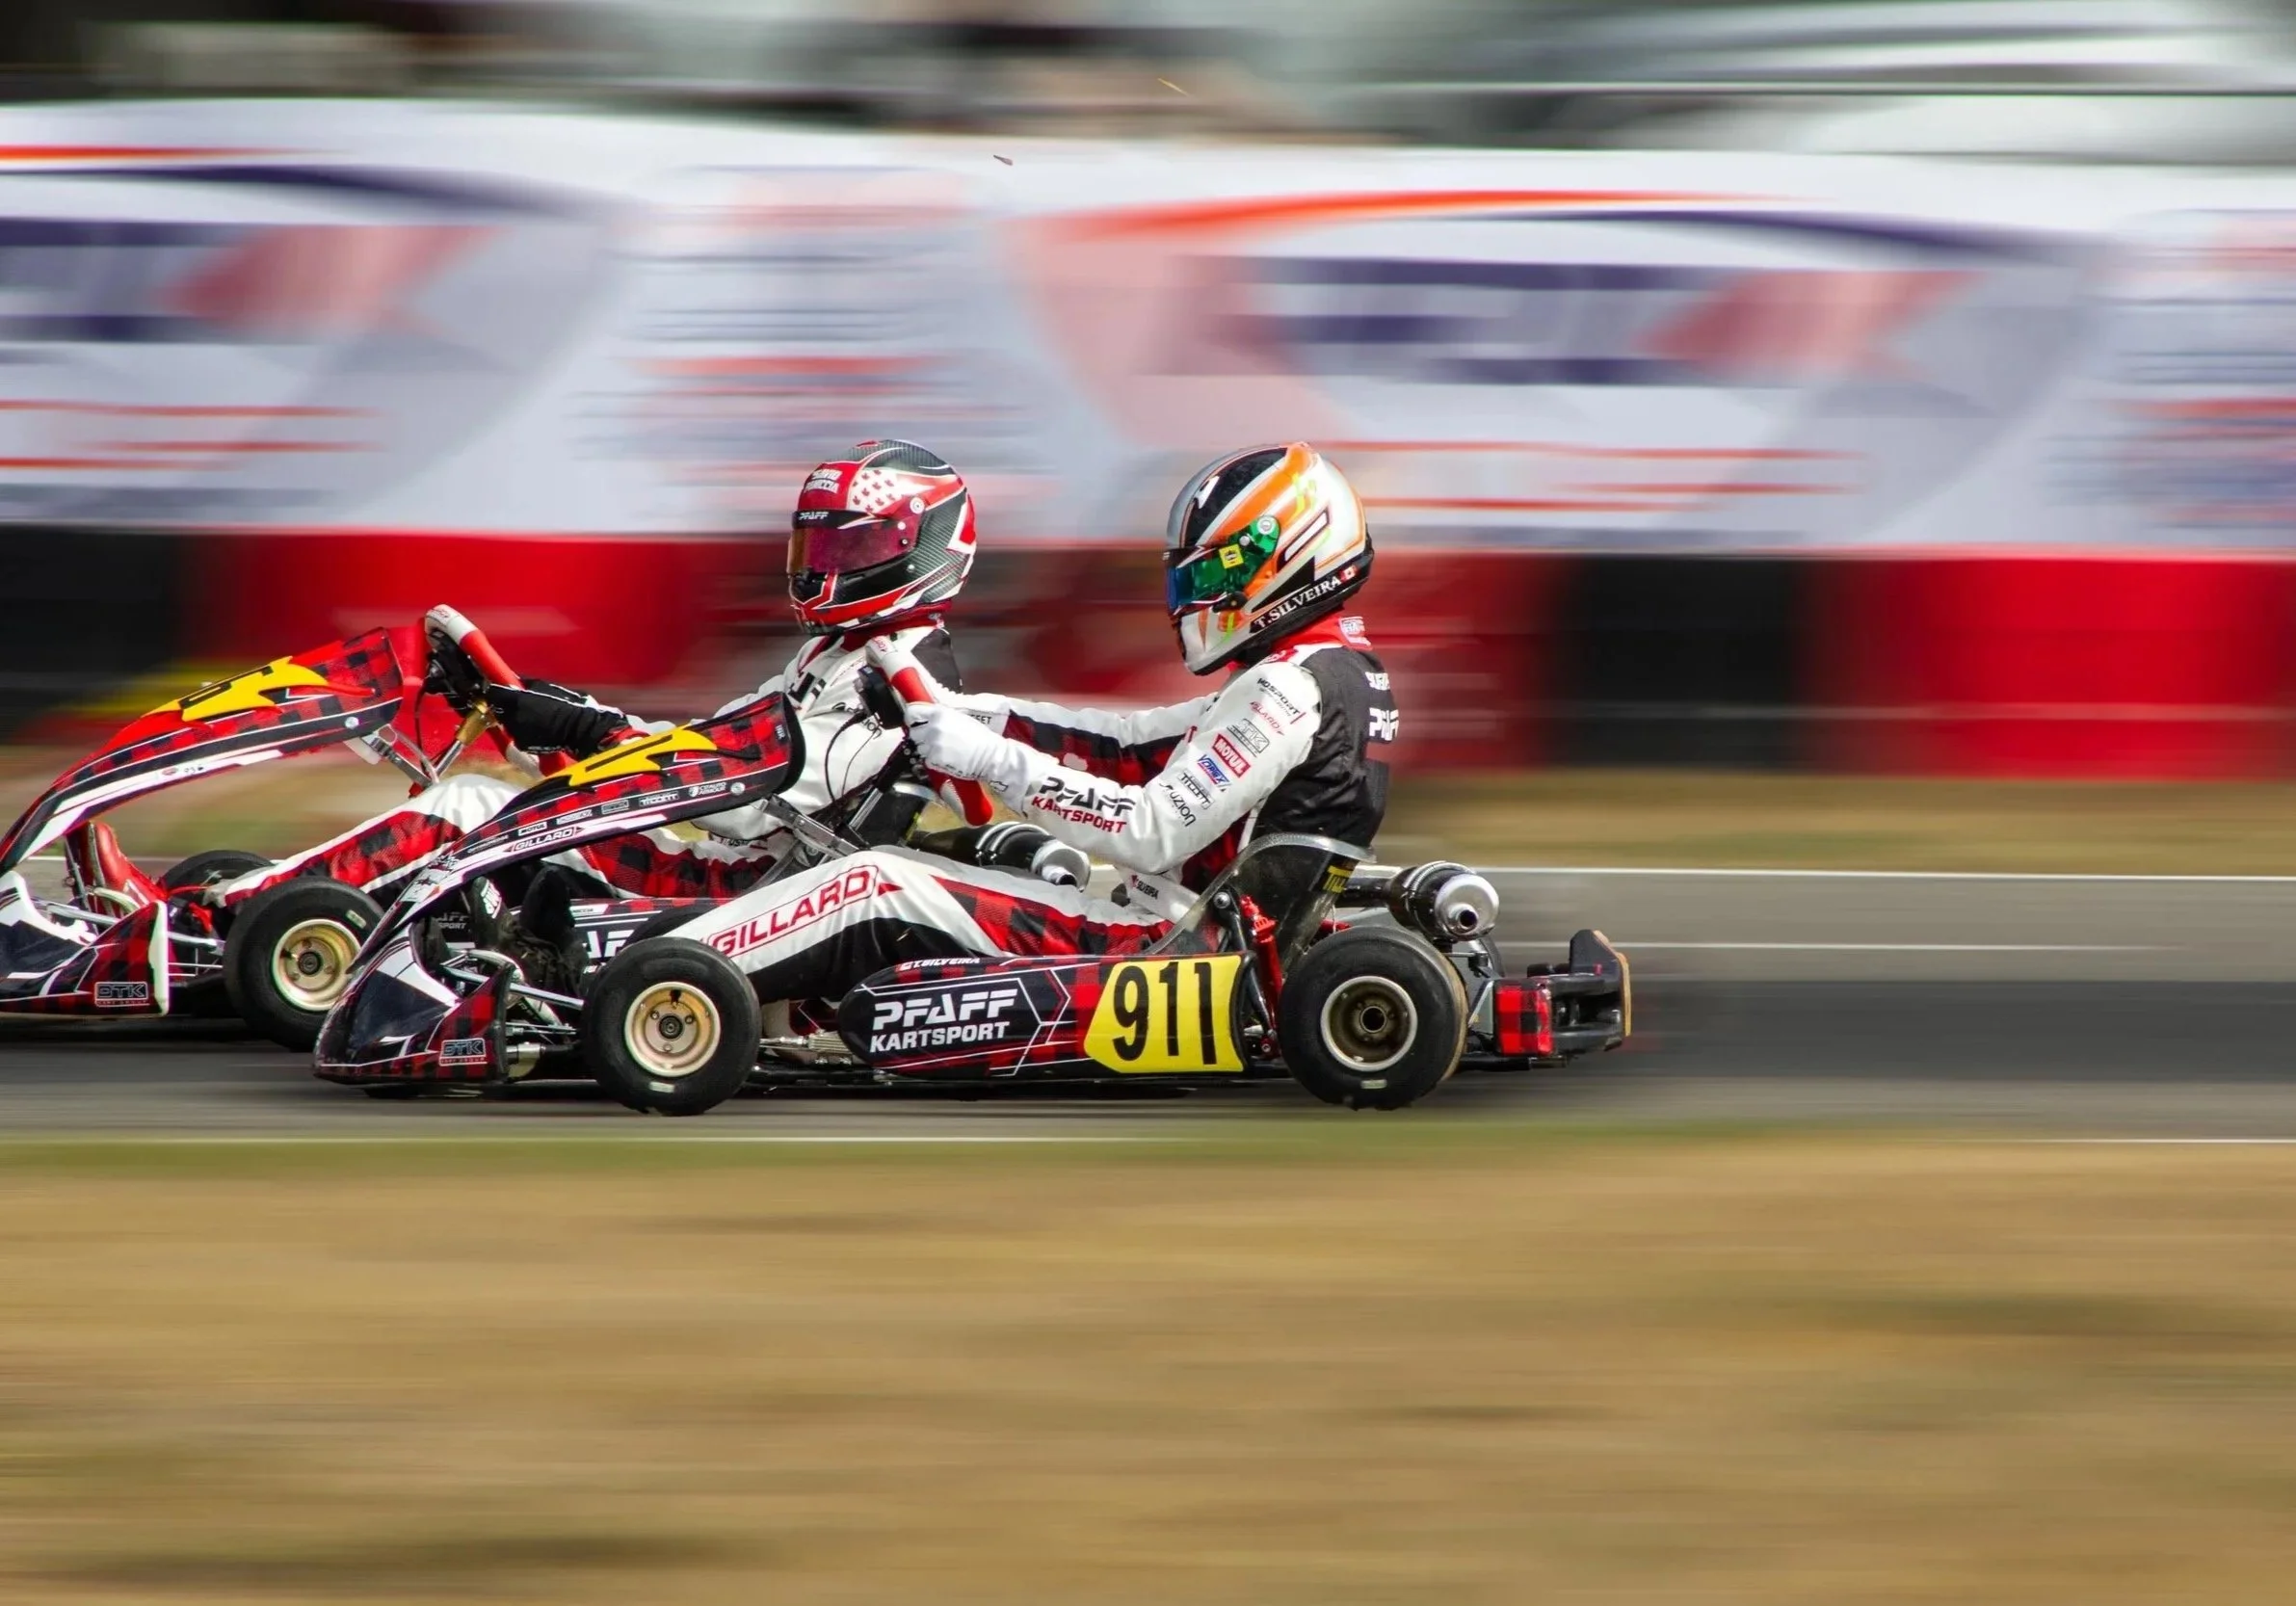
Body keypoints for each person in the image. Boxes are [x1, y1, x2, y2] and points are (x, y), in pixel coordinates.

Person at [661, 441, 1399, 1002]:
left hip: (1158, 946)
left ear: (1285, 560)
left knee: (873, 880)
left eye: (1209, 576)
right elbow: (1125, 747)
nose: (1192, 599)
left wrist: (991, 759)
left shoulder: (1286, 689)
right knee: (910, 869)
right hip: (1194, 933)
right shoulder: (1330, 673)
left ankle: (665, 981)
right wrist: (964, 714)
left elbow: (1152, 833)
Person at [199, 440, 982, 951]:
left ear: (925, 547)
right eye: (819, 542)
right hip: (714, 868)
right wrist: (561, 710)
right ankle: (274, 903)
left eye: (851, 544)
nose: (825, 562)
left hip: (735, 895)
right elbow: (713, 743)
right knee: (495, 800)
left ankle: (227, 919)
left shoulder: (903, 685)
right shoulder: (837, 653)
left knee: (472, 804)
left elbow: (740, 794)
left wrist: (585, 728)